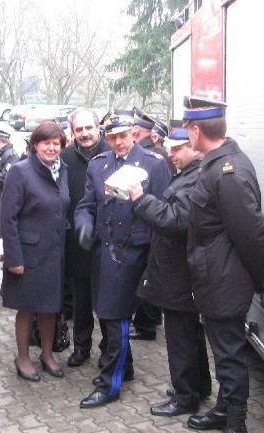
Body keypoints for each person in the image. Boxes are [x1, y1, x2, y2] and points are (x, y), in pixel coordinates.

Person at [182, 96, 264, 433]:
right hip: (214, 276)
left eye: (187, 128)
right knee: (223, 351)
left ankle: (238, 431)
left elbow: (251, 231)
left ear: (195, 129)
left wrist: (260, 273)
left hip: (225, 279)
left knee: (231, 356)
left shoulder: (229, 171)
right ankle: (223, 410)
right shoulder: (216, 164)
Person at [74, 109, 171, 408]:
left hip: (135, 251)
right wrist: (84, 224)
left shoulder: (154, 165)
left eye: (123, 135)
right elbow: (86, 204)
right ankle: (124, 368)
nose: (117, 142)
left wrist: (156, 261)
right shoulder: (98, 165)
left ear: (134, 133)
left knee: (115, 315)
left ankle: (109, 385)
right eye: (112, 136)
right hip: (105, 251)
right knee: (106, 311)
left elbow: (163, 213)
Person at [127, 119, 212, 417]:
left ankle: (185, 396)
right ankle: (199, 386)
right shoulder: (188, 173)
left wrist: (140, 200)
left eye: (178, 148)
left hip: (181, 272)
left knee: (180, 336)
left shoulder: (196, 178)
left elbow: (176, 221)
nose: (171, 154)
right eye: (172, 148)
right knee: (190, 331)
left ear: (195, 149)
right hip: (181, 269)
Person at [0, 122, 70, 382]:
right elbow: (8, 219)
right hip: (28, 255)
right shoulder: (20, 171)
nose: (51, 148)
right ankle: (23, 357)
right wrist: (14, 258)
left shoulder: (62, 171)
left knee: (50, 307)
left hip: (54, 253)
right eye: (45, 143)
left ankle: (48, 355)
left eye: (56, 143)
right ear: (35, 145)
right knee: (28, 308)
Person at [61, 108, 111, 368]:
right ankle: (81, 347)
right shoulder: (65, 158)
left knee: (105, 301)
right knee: (81, 300)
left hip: (107, 243)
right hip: (77, 242)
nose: (84, 134)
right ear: (73, 132)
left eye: (88, 128)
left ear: (98, 127)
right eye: (78, 129)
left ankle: (108, 349)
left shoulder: (112, 153)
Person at [128, 107, 169, 342]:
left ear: (136, 130)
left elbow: (159, 197)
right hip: (153, 224)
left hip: (150, 225)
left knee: (147, 279)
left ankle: (147, 324)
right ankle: (149, 321)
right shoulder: (157, 152)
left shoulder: (154, 157)